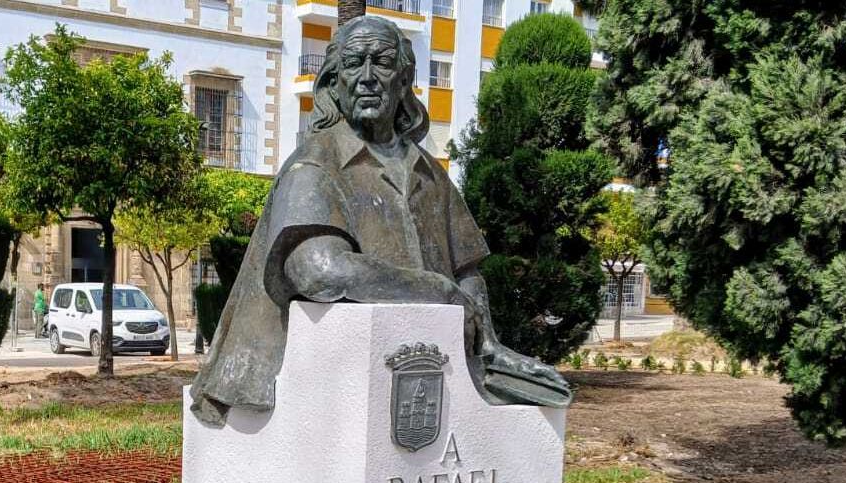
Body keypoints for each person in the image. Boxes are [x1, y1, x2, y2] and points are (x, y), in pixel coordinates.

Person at [189, 15, 570, 425]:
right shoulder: (315, 162)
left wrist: (488, 346)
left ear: (404, 81)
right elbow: (320, 271)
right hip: (315, 382)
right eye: (353, 64)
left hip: (429, 361)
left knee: (544, 396)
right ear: (335, 83)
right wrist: (438, 291)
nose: (368, 77)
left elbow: (468, 270)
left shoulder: (429, 172)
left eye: (382, 63)